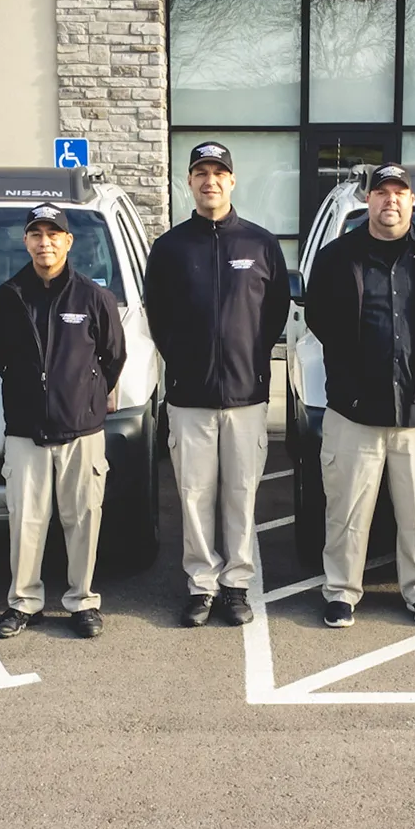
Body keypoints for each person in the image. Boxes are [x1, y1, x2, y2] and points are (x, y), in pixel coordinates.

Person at [304, 164, 415, 629]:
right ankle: (341, 592)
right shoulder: (338, 258)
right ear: (368, 201)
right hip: (354, 411)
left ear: (411, 201)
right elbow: (319, 318)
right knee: (347, 512)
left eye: (399, 192)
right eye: (381, 192)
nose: (390, 200)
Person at [144, 141, 291, 627]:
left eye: (218, 173)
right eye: (201, 173)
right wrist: (186, 362)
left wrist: (249, 359)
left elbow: (274, 313)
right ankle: (201, 585)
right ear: (189, 181)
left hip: (246, 396)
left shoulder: (260, 244)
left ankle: (236, 584)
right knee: (193, 495)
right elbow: (158, 316)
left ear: (232, 180)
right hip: (190, 397)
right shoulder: (169, 248)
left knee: (241, 493)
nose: (210, 181)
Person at [0, 204, 126, 639]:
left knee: (83, 518)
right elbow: (0, 356)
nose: (44, 243)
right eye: (36, 235)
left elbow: (113, 356)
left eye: (53, 234)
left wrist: (84, 397)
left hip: (81, 430)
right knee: (25, 520)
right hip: (25, 430)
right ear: (26, 241)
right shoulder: (7, 297)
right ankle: (23, 602)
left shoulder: (93, 297)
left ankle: (82, 601)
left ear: (68, 241)